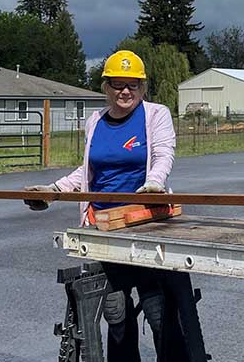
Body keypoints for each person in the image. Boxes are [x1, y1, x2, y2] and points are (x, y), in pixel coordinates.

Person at [24, 50, 209, 361]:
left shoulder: (155, 115)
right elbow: (89, 172)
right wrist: (53, 190)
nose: (126, 91)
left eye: (133, 85)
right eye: (118, 84)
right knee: (116, 310)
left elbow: (164, 155)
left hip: (146, 223)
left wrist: (154, 183)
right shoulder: (95, 121)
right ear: (106, 87)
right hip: (104, 227)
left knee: (157, 308)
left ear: (143, 87)